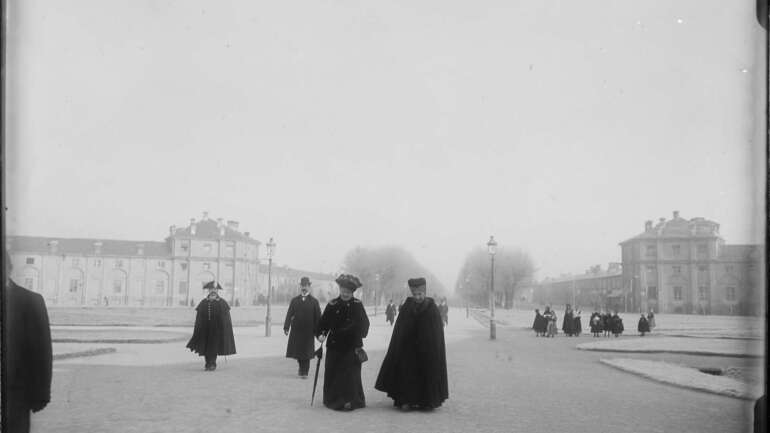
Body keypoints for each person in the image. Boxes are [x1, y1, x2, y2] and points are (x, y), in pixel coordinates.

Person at [375, 278, 448, 411]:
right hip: (409, 349)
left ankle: (426, 402)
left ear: (425, 292)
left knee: (426, 374)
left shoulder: (432, 308)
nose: (417, 297)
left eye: (420, 294)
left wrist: (432, 346)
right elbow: (400, 329)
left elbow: (437, 332)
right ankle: (405, 400)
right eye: (415, 294)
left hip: (427, 350)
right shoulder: (407, 307)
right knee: (407, 375)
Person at [4, 249, 53, 433]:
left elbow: (42, 352)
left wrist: (41, 394)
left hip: (14, 396)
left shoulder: (31, 301)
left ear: (8, 268)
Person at [316, 274, 370, 411]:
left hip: (352, 346)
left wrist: (360, 332)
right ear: (339, 290)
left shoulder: (358, 305)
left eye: (348, 292)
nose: (345, 294)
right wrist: (321, 334)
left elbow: (365, 323)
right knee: (334, 373)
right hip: (335, 346)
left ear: (353, 292)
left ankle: (351, 401)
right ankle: (334, 400)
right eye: (343, 291)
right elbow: (323, 323)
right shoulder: (332, 304)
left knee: (351, 375)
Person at [186, 281, 236, 371]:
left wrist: (223, 329)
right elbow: (199, 317)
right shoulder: (203, 302)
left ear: (217, 291)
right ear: (208, 291)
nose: (213, 291)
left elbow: (226, 319)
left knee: (214, 347)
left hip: (217, 330)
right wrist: (199, 328)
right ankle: (207, 363)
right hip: (205, 329)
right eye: (211, 289)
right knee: (205, 347)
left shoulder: (222, 302)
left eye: (215, 290)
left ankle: (212, 364)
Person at [283, 276, 322, 378]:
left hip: (309, 332)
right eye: (302, 286)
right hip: (297, 331)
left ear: (309, 287)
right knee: (299, 352)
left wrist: (320, 332)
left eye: (306, 286)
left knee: (307, 353)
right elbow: (289, 314)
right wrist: (286, 327)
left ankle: (304, 372)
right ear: (300, 287)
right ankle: (301, 368)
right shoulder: (294, 301)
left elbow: (318, 318)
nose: (304, 288)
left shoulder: (314, 301)